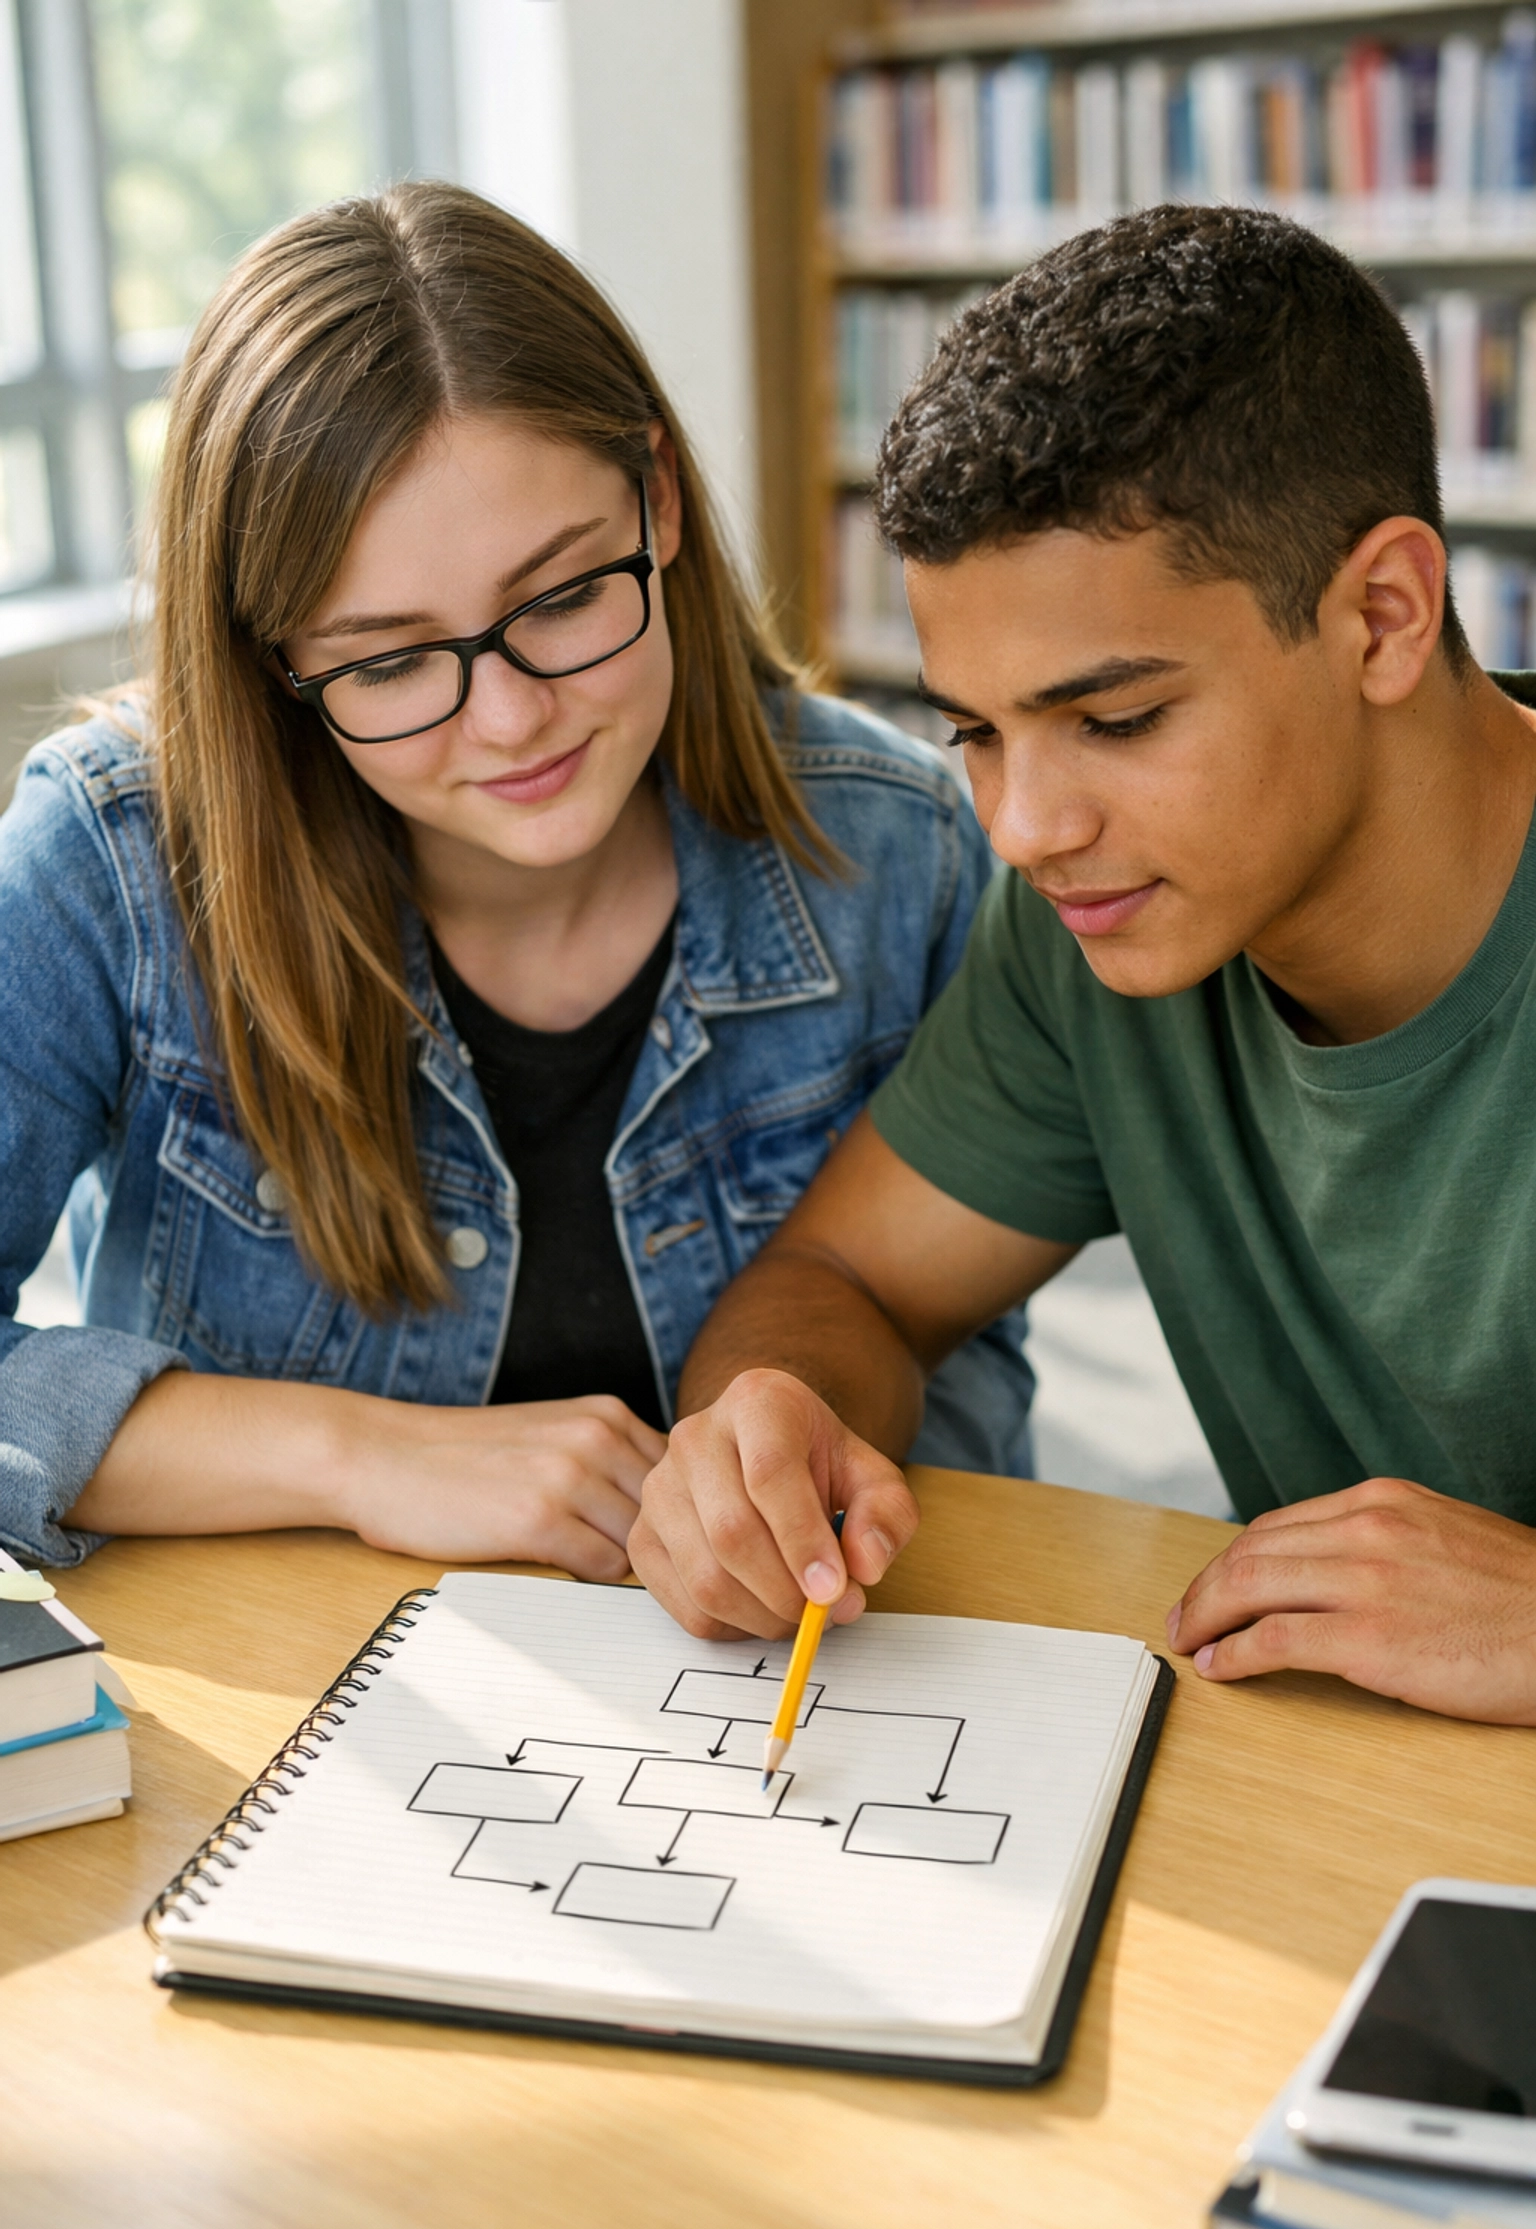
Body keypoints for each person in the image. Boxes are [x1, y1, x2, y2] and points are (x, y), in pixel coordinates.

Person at [0, 180, 1032, 1576]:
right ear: (274, 663)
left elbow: (964, 1368)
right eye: (387, 661)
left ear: (657, 500)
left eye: (559, 600)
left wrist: (812, 1480)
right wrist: (356, 1455)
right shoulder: (108, 865)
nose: (510, 721)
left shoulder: (902, 848)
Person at [629, 203, 1536, 1729]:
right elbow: (846, 1278)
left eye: (1115, 721)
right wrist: (767, 1422)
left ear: (1383, 615)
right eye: (975, 732)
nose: (1028, 828)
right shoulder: (1101, 926)